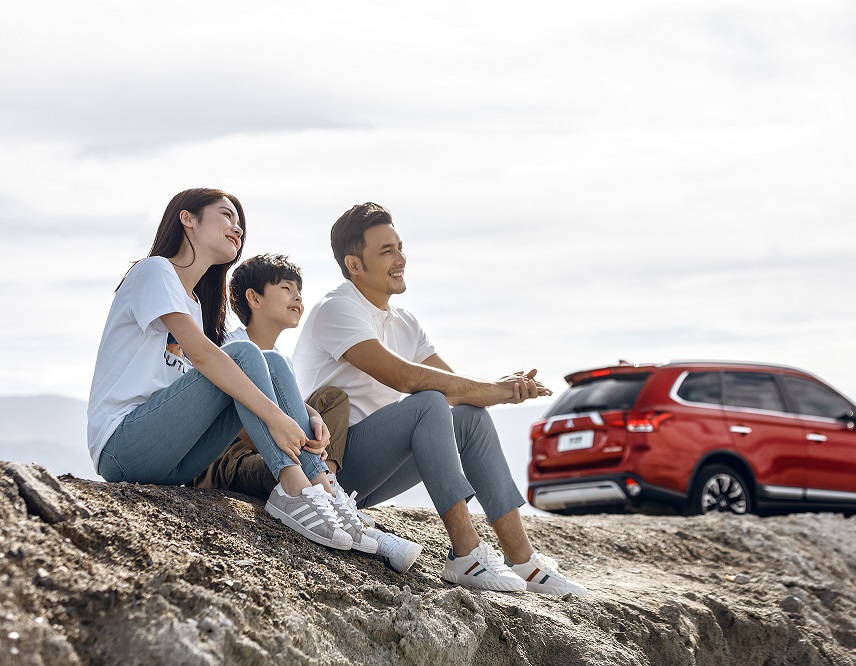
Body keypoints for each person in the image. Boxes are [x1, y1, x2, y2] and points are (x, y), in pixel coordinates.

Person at [292, 202, 588, 596]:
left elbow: (457, 387)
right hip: (329, 467)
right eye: (387, 251)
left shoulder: (405, 322)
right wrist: (498, 390)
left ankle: (523, 559)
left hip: (373, 473)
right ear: (354, 264)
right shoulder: (337, 308)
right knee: (429, 401)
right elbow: (404, 377)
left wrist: (505, 388)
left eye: (400, 247)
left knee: (470, 417)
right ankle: (466, 553)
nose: (401, 259)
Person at [87, 188, 361, 554]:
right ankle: (294, 489)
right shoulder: (154, 270)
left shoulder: (195, 304)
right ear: (188, 219)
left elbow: (222, 376)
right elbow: (204, 357)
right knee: (243, 353)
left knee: (272, 360)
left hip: (173, 460)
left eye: (240, 222)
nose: (238, 228)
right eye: (227, 215)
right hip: (123, 445)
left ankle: (324, 490)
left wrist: (306, 413)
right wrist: (276, 417)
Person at [190, 253, 421, 572]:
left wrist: (311, 419)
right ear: (255, 298)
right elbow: (240, 425)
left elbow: (289, 409)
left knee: (332, 398)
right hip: (231, 458)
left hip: (285, 451)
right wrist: (294, 444)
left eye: (299, 290)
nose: (298, 297)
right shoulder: (232, 347)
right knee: (286, 460)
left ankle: (327, 488)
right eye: (286, 288)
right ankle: (323, 497)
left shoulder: (282, 361)